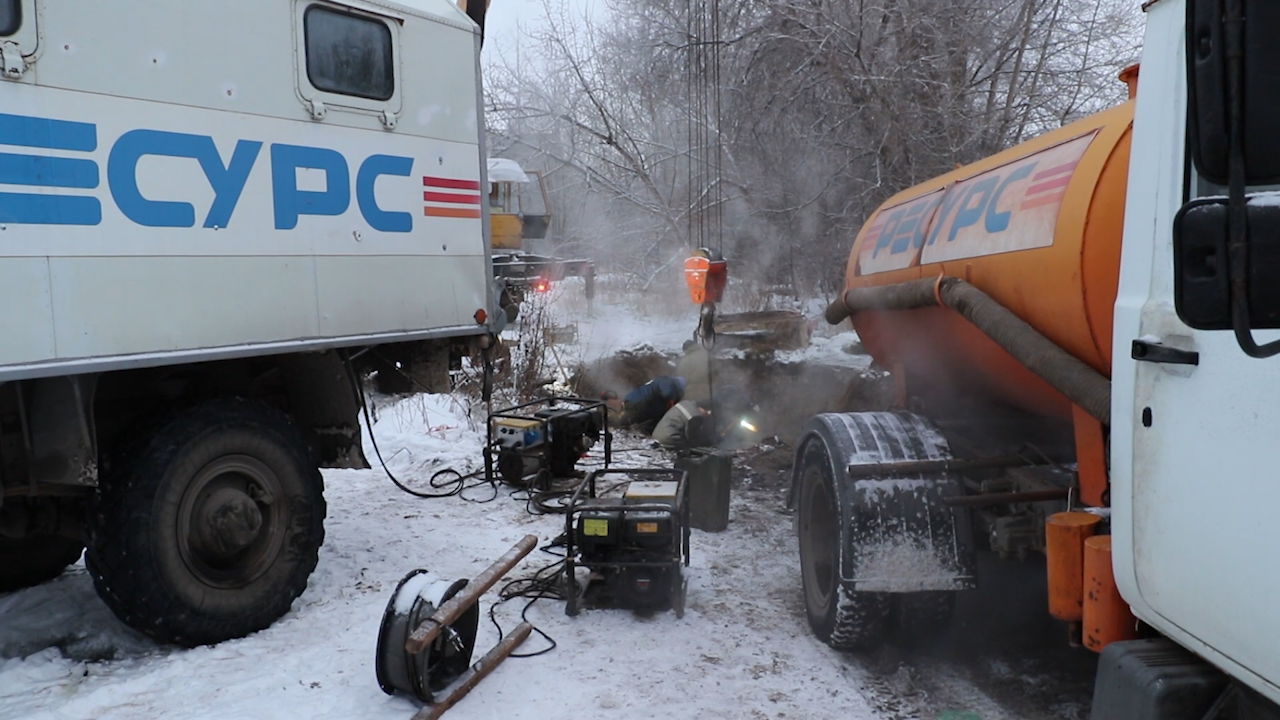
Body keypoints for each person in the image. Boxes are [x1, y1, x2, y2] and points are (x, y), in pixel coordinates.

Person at [606, 376, 686, 433]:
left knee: (633, 425)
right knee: (621, 424)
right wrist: (671, 404)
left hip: (637, 403)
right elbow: (666, 392)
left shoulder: (665, 384)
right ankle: (603, 416)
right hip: (637, 404)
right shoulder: (669, 381)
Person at [651, 397, 716, 450]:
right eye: (707, 413)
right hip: (668, 438)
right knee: (689, 448)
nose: (705, 416)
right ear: (703, 408)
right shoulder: (695, 416)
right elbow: (691, 438)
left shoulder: (685, 403)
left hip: (656, 435)